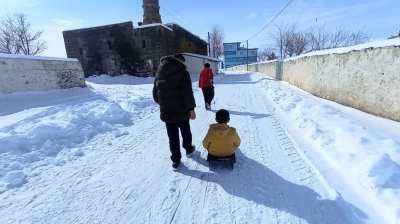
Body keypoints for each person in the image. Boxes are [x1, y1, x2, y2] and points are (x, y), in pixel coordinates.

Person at [153, 53, 197, 171]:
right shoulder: (183, 72)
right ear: (180, 62)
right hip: (182, 110)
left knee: (172, 136)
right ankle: (188, 149)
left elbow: (155, 94)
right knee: (185, 130)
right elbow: (187, 92)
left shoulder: (159, 73)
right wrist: (191, 108)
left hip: (167, 111)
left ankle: (176, 160)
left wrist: (165, 104)